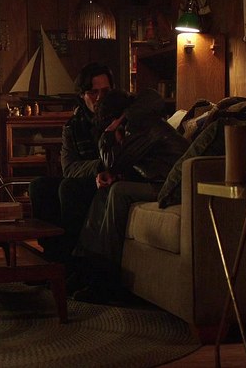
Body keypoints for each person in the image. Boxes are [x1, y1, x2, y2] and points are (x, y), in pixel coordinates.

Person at [70, 88, 190, 302]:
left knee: (119, 191)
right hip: (161, 182)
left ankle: (107, 280)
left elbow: (114, 161)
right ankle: (85, 267)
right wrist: (112, 175)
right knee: (107, 189)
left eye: (108, 123)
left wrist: (107, 135)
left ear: (115, 118)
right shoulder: (135, 122)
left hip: (175, 187)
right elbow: (132, 163)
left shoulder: (140, 124)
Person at [29, 62, 114, 264]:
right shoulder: (74, 126)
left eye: (105, 91)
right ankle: (52, 256)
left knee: (69, 188)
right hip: (89, 175)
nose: (100, 98)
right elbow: (69, 167)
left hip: (111, 179)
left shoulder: (121, 116)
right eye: (93, 92)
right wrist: (99, 166)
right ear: (83, 95)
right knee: (39, 186)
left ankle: (71, 260)